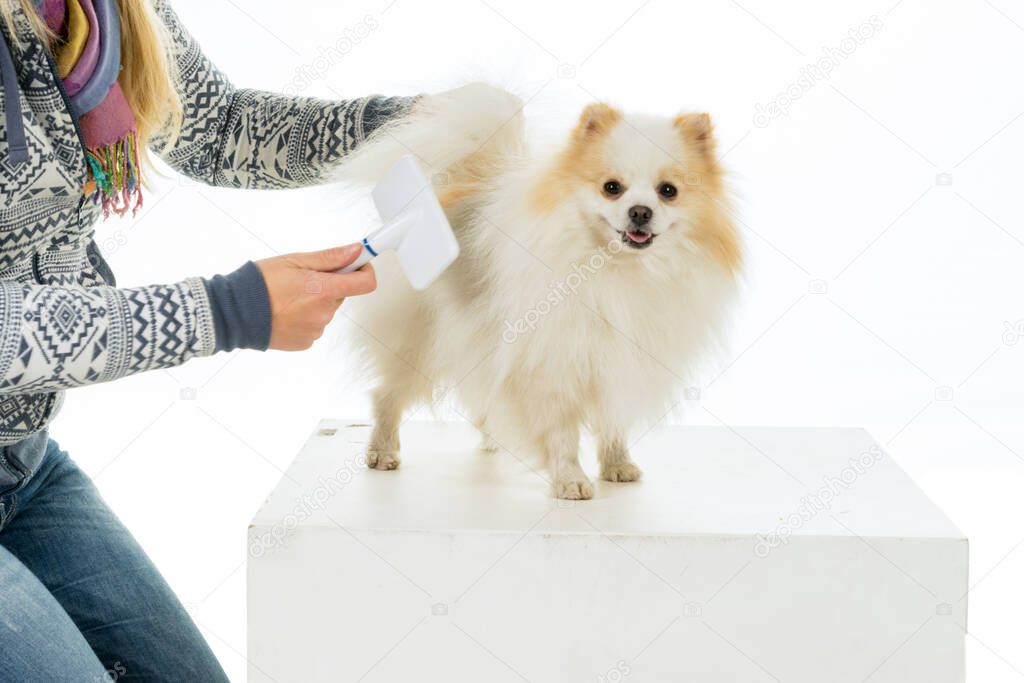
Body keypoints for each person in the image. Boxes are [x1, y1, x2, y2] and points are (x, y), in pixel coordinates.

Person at [0, 0, 411, 678]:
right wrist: (229, 310)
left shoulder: (98, 11)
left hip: (24, 465)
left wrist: (417, 129)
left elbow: (221, 127)